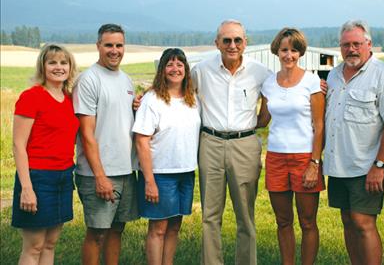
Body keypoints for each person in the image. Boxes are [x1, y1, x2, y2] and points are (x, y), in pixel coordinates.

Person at [323, 20, 384, 265]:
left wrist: (379, 166)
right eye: (346, 45)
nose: (352, 49)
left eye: (357, 44)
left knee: (363, 222)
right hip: (338, 164)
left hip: (367, 165)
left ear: (368, 44)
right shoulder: (335, 75)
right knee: (347, 220)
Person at [191, 19, 271, 265]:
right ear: (217, 43)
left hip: (244, 145)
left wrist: (258, 123)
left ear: (246, 42)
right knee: (210, 216)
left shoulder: (260, 72)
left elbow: (269, 104)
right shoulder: (201, 70)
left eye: (237, 40)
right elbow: (181, 97)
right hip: (210, 143)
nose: (232, 45)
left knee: (245, 215)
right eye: (226, 40)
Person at [256, 28, 325, 264]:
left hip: (304, 157)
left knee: (307, 222)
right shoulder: (269, 84)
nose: (289, 55)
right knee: (283, 221)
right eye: (284, 50)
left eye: (294, 50)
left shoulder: (311, 81)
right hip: (275, 158)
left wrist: (314, 163)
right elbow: (262, 119)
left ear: (300, 53)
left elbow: (319, 125)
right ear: (277, 51)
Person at [73, 23, 138, 265]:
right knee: (97, 233)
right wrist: (100, 176)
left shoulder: (126, 80)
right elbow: (86, 134)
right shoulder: (89, 80)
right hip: (98, 173)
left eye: (119, 45)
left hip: (125, 170)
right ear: (98, 46)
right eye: (108, 45)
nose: (114, 50)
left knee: (117, 229)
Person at [132, 48, 201, 265]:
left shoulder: (192, 99)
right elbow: (141, 140)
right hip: (160, 174)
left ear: (186, 70)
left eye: (180, 64)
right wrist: (149, 181)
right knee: (158, 228)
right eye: (170, 64)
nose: (175, 69)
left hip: (185, 172)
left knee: (174, 227)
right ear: (162, 70)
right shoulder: (151, 100)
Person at [11, 44, 78, 265]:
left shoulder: (70, 99)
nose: (58, 67)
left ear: (70, 67)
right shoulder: (31, 97)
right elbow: (18, 145)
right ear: (43, 66)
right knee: (34, 246)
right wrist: (27, 189)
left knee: (50, 243)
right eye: (52, 62)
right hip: (37, 178)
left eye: (63, 62)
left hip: (64, 177)